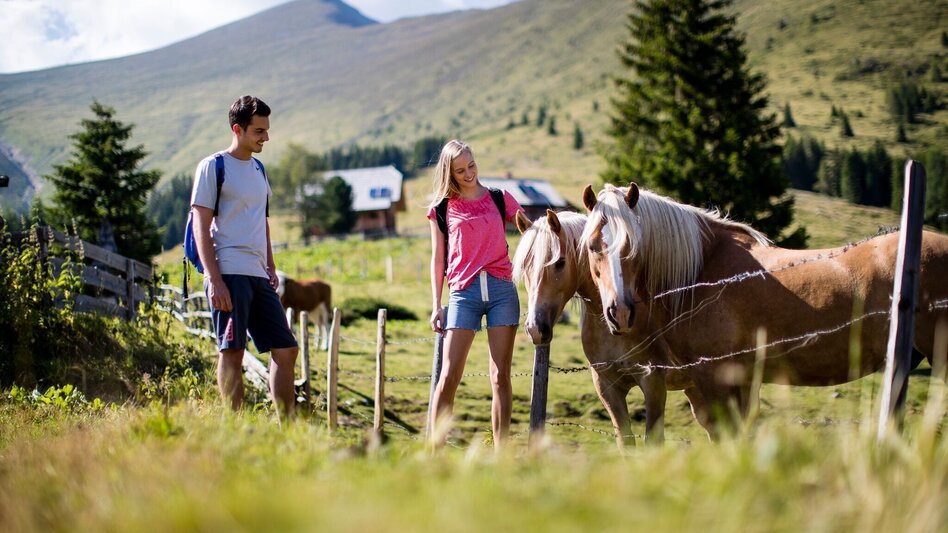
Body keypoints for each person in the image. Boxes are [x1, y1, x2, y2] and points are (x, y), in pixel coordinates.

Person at [190, 95, 298, 419]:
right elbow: (200, 222)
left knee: (286, 349)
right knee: (233, 352)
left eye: (266, 130)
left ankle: (288, 429)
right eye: (258, 131)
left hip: (257, 273)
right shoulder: (213, 166)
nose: (266, 137)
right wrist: (214, 279)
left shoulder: (259, 169)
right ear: (237, 129)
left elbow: (260, 221)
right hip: (229, 272)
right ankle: (236, 429)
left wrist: (271, 265)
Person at [427, 140, 524, 450]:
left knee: (500, 378)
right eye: (460, 170)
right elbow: (438, 259)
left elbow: (531, 230)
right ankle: (435, 451)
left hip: (502, 292)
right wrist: (435, 304)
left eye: (471, 166)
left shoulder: (499, 199)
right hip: (462, 294)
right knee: (448, 378)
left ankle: (501, 455)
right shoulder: (442, 208)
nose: (468, 173)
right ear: (449, 173)